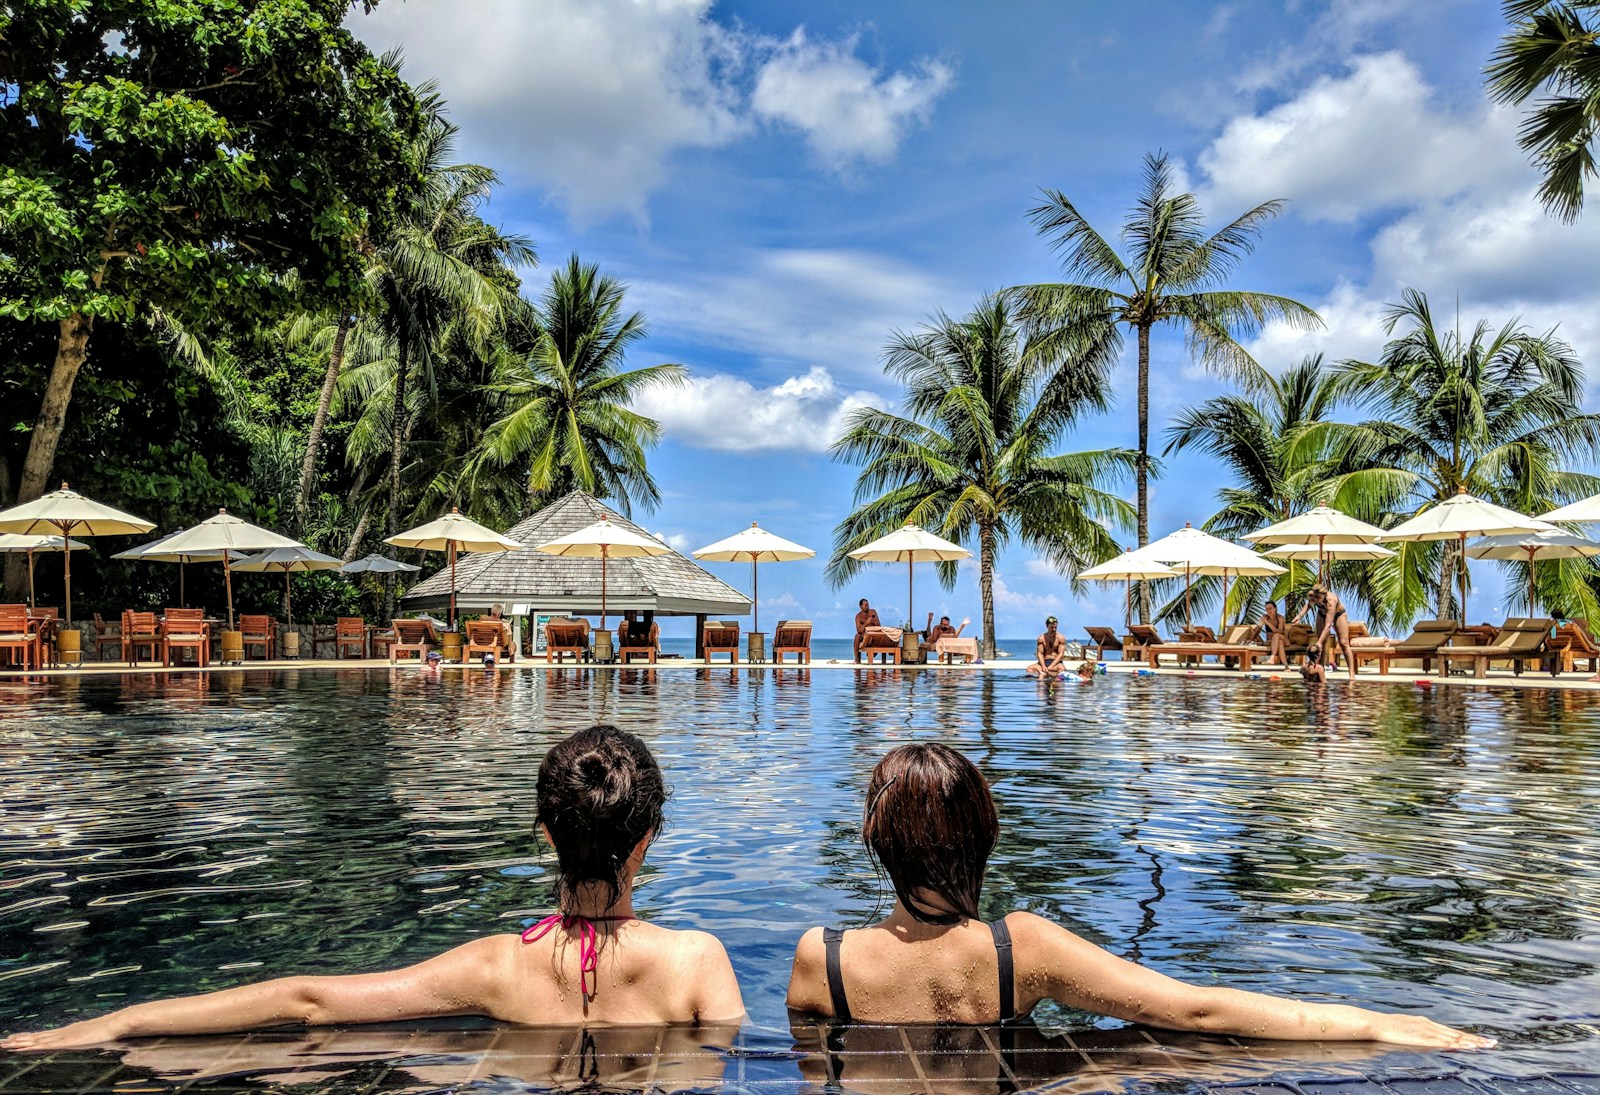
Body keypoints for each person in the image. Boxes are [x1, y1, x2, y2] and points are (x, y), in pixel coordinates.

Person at [2, 726, 744, 1051]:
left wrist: (126, 1020)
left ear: (545, 834)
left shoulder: (495, 966)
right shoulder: (695, 962)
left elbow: (307, 997)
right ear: (647, 838)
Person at [786, 743, 1492, 1048]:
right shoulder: (1016, 947)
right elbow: (1194, 1008)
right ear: (983, 833)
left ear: (877, 839)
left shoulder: (822, 957)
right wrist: (1369, 1022)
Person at [1294, 584, 1355, 681]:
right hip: (1322, 613)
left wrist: (1319, 641)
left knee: (1344, 643)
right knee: (1321, 646)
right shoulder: (1313, 596)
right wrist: (1299, 616)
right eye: (1315, 597)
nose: (1317, 599)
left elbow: (1328, 625)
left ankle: (1351, 674)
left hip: (1338, 615)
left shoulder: (1331, 601)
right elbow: (1308, 605)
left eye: (1319, 597)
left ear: (1325, 595)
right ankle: (1319, 671)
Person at [852, 598, 881, 663]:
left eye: (868, 605)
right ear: (861, 606)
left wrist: (874, 623)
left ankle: (871, 654)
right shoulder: (858, 617)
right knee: (857, 636)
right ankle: (857, 659)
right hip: (864, 635)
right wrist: (866, 623)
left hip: (874, 635)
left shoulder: (873, 612)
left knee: (875, 637)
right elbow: (859, 630)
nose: (867, 607)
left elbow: (879, 625)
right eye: (866, 605)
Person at [1261, 600, 1288, 666]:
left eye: (1270, 608)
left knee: (1276, 635)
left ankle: (1272, 658)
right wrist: (1251, 639)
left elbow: (1279, 632)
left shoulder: (1280, 618)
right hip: (1271, 641)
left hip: (1285, 640)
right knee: (1280, 643)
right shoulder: (1265, 618)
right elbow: (1257, 629)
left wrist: (1267, 623)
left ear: (1275, 609)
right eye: (1266, 609)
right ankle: (1286, 666)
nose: (1268, 611)